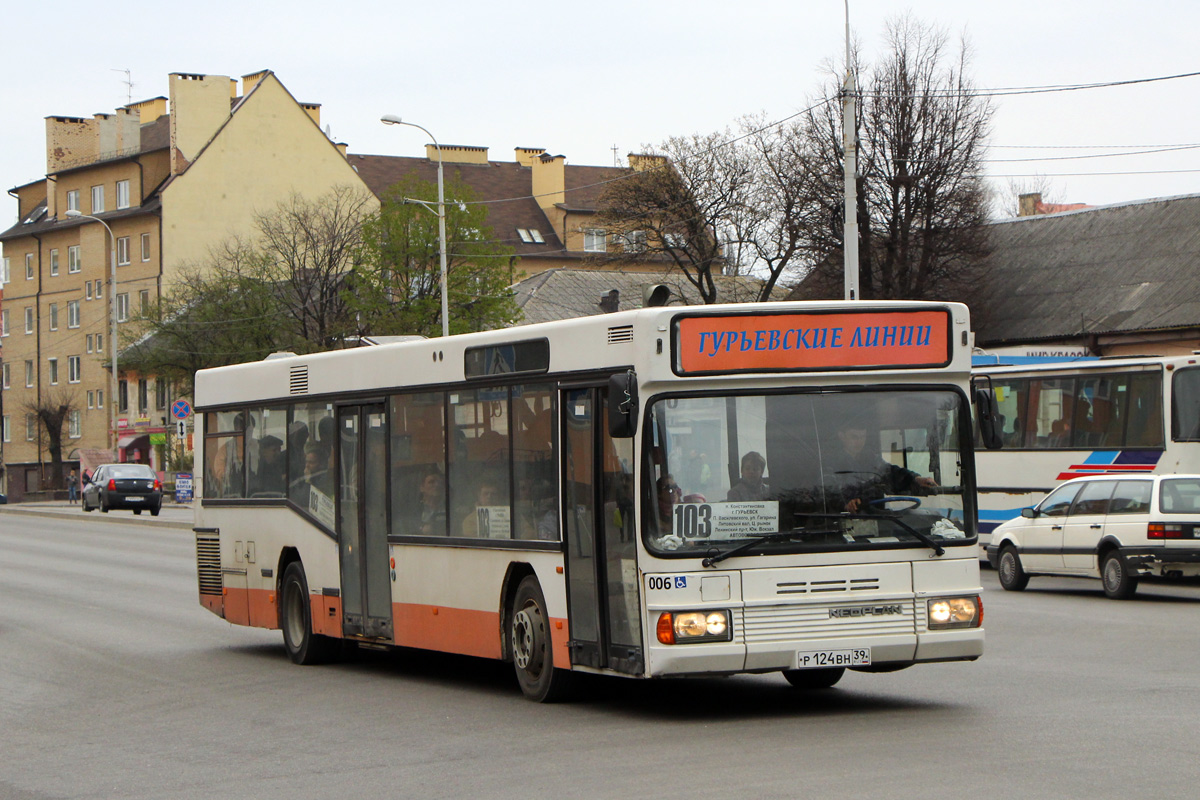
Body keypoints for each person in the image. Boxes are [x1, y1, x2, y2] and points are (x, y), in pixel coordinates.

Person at [827, 423, 936, 513]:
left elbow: (890, 472)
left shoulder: (871, 459)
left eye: (862, 437)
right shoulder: (830, 463)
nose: (859, 442)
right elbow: (826, 492)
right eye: (854, 437)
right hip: (844, 520)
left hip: (876, 516)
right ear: (841, 436)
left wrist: (915, 479)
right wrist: (845, 504)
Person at [418, 470, 447, 536]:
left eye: (440, 482)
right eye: (431, 482)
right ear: (422, 488)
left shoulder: (451, 509)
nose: (437, 485)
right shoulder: (414, 510)